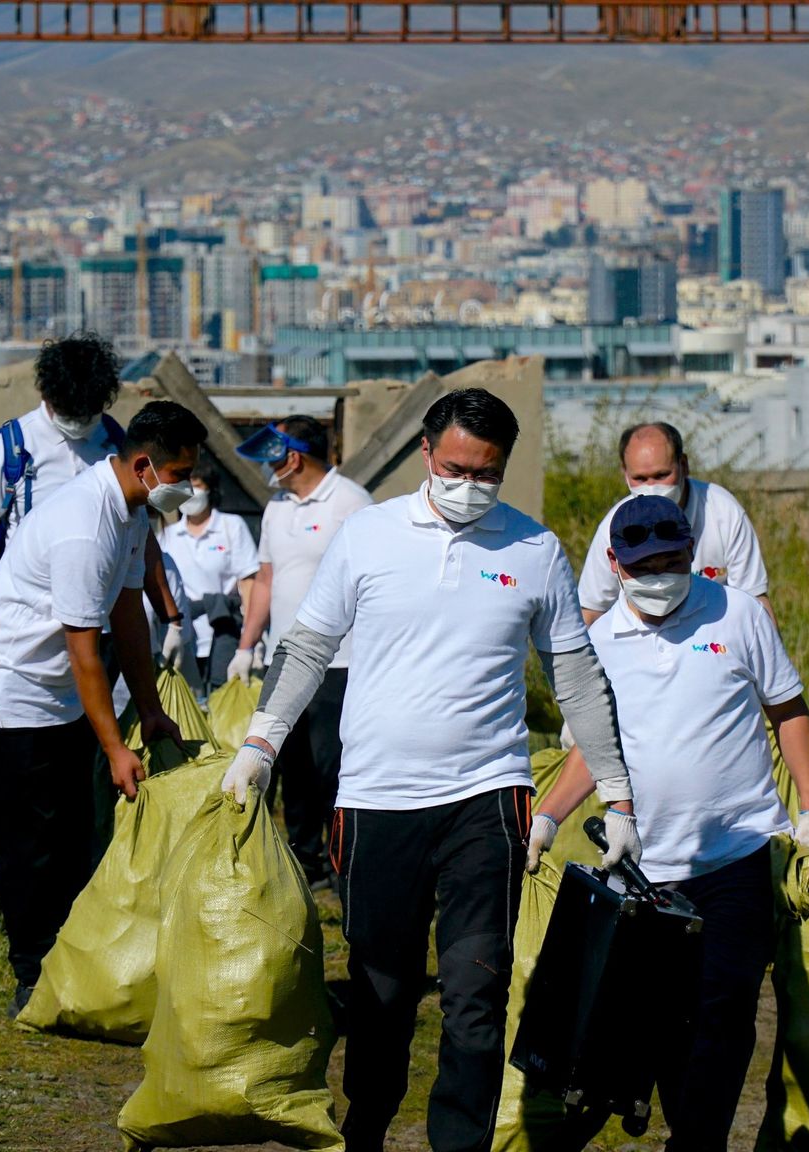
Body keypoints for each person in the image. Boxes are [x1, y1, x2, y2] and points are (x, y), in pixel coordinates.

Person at [222, 388, 637, 1152]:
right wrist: (260, 743)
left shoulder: (533, 550)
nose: (469, 487)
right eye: (455, 468)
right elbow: (309, 645)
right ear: (424, 453)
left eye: (487, 475)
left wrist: (617, 793)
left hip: (488, 800)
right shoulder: (367, 536)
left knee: (477, 994)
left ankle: (458, 1144)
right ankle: (370, 1125)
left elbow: (574, 675)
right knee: (383, 991)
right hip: (378, 800)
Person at [535, 494, 809, 1151]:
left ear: (691, 554)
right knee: (649, 1022)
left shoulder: (736, 614)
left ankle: (698, 1143)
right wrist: (547, 815)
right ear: (616, 564)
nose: (660, 577)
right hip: (643, 869)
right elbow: (594, 749)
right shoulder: (599, 645)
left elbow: (788, 710)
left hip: (734, 856)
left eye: (673, 561)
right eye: (645, 567)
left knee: (723, 1012)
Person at [0, 400, 206, 1012]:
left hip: (59, 695)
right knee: (27, 845)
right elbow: (87, 651)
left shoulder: (133, 510)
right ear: (144, 464)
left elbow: (128, 613)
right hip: (7, 697)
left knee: (72, 836)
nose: (187, 490)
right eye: (179, 476)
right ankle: (31, 976)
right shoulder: (84, 526)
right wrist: (116, 749)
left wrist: (149, 709)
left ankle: (68, 957)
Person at [0, 330, 177, 633]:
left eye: (87, 415)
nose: (79, 424)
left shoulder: (115, 444)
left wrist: (171, 618)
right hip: (26, 622)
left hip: (99, 621)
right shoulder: (14, 447)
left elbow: (141, 537)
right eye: (70, 415)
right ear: (47, 396)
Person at [230, 414, 373, 885]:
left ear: (292, 456)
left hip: (340, 660)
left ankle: (340, 861)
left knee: (332, 764)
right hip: (284, 658)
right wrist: (248, 646)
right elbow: (266, 580)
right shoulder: (275, 508)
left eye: (275, 456)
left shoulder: (350, 502)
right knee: (291, 765)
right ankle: (303, 859)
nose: (270, 467)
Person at [575, 422, 768, 626]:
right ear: (625, 473)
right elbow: (593, 609)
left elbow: (754, 599)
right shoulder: (614, 525)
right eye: (639, 478)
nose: (651, 487)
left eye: (661, 475)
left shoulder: (724, 512)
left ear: (683, 465)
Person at [156, 457, 258, 692]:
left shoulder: (232, 526)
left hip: (226, 631)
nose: (190, 493)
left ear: (209, 489)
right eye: (185, 486)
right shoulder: (168, 535)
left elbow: (248, 581)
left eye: (196, 485)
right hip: (183, 635)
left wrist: (251, 638)